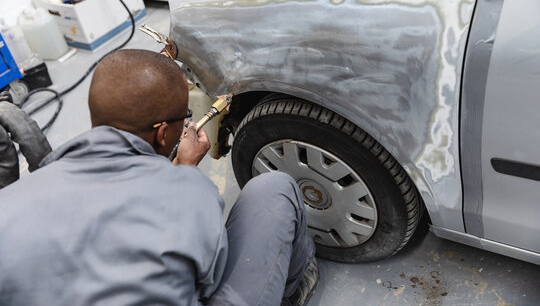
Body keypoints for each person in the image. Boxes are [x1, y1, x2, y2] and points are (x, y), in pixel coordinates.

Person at [0, 49, 318, 306]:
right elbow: (208, 277)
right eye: (185, 117)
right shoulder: (189, 193)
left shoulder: (9, 204)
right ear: (165, 133)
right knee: (274, 189)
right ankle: (292, 291)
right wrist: (184, 174)